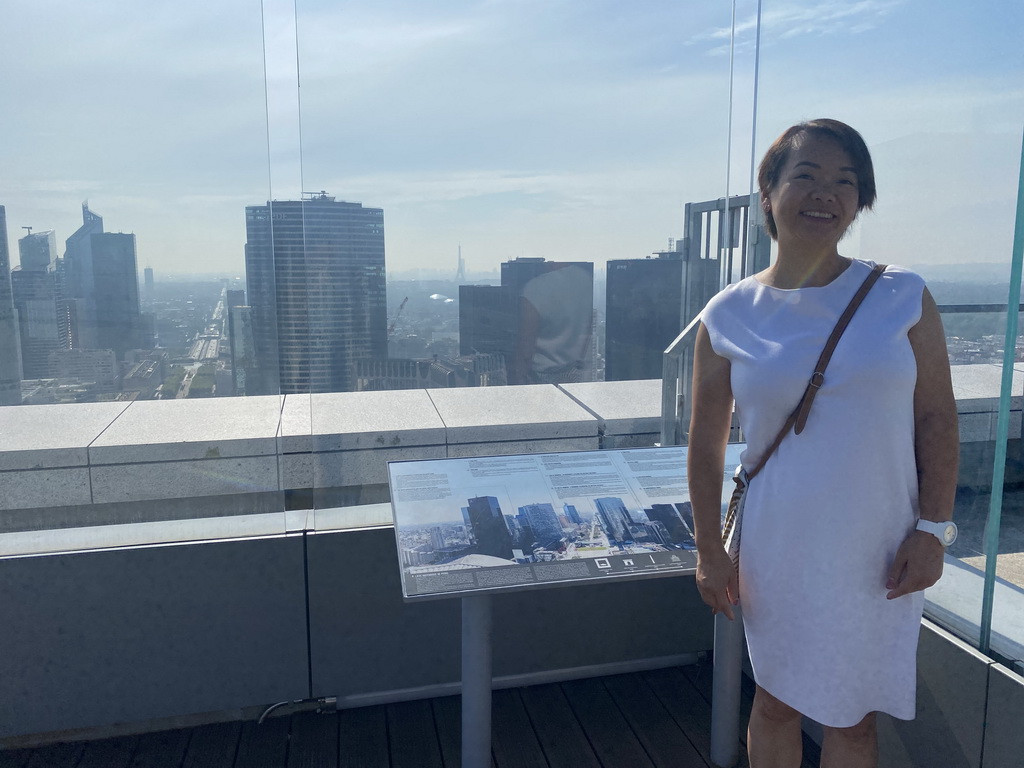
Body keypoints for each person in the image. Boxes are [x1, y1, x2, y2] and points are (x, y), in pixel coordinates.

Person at [687, 119, 958, 768]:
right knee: (776, 703)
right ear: (768, 195)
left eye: (845, 181)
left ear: (860, 201)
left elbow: (938, 422)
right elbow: (705, 442)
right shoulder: (728, 314)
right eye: (805, 176)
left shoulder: (903, 297)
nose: (826, 193)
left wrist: (933, 530)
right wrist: (707, 552)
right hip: (777, 546)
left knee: (854, 717)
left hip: (880, 548)